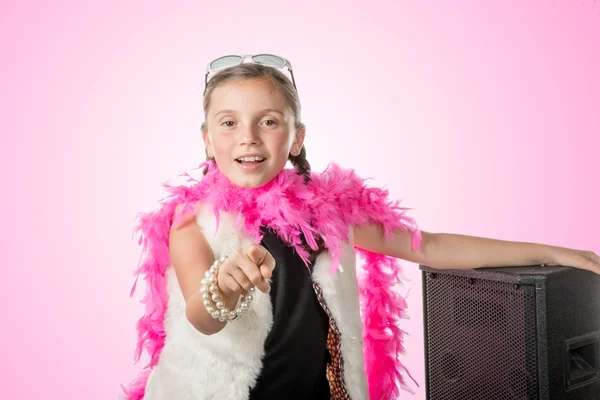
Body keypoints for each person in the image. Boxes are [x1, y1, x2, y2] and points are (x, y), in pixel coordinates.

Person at [121, 54, 600, 400]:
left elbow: (429, 246)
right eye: (228, 123)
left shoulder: (327, 211)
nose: (247, 136)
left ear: (295, 139)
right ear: (207, 140)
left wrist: (555, 252)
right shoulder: (191, 221)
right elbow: (203, 318)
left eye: (268, 121)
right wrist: (224, 287)